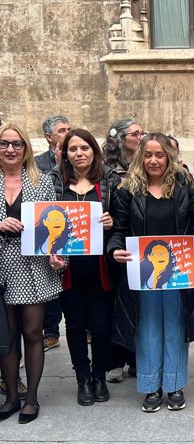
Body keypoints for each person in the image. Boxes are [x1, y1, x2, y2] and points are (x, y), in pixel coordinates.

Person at [109, 133, 194, 412]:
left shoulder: (185, 187)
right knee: (147, 328)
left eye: (160, 155)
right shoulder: (126, 191)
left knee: (176, 327)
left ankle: (174, 384)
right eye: (148, 154)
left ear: (169, 157)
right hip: (141, 272)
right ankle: (150, 386)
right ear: (139, 157)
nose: (154, 160)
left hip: (179, 271)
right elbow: (119, 231)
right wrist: (115, 250)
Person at [49, 128, 120, 406]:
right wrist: (51, 253)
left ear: (94, 151)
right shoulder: (54, 182)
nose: (79, 154)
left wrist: (111, 223)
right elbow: (44, 223)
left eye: (84, 148)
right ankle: (83, 379)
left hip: (101, 266)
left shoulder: (110, 181)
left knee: (102, 326)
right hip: (68, 269)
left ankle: (99, 376)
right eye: (73, 149)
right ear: (64, 154)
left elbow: (121, 219)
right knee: (75, 325)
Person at [0, 123, 64, 424]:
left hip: (33, 267)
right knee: (7, 336)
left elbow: (53, 225)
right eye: (4, 144)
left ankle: (33, 398)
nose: (10, 149)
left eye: (17, 144)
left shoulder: (42, 181)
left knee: (33, 333)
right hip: (2, 264)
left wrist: (56, 253)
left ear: (26, 148)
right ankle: (12, 396)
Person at [103, 119, 144, 382]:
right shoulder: (107, 170)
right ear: (120, 139)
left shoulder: (146, 164)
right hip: (113, 242)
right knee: (113, 304)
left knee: (138, 304)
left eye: (143, 133)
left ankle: (136, 358)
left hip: (141, 244)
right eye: (136, 133)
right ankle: (114, 359)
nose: (141, 137)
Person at [36, 115, 70, 351]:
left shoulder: (80, 156)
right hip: (49, 229)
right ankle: (50, 331)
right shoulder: (38, 163)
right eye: (61, 130)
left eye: (69, 129)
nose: (66, 133)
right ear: (49, 136)